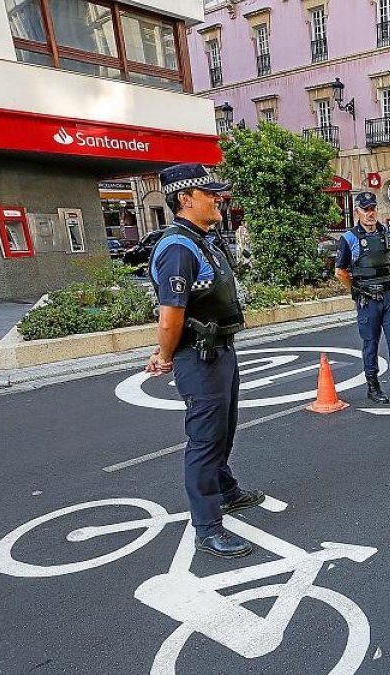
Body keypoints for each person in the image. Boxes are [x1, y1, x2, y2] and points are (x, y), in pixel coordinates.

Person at [146, 163, 266, 559]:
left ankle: (226, 490)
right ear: (185, 199)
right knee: (204, 440)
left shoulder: (201, 240)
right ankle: (207, 527)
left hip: (220, 351)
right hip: (199, 357)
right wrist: (164, 357)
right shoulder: (177, 248)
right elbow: (170, 316)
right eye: (209, 193)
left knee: (224, 429)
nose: (218, 198)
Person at [335, 191, 390, 407]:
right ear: (357, 212)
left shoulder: (389, 234)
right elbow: (340, 272)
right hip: (367, 300)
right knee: (370, 344)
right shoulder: (349, 238)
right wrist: (355, 290)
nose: (370, 213)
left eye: (372, 208)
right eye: (365, 209)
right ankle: (373, 387)